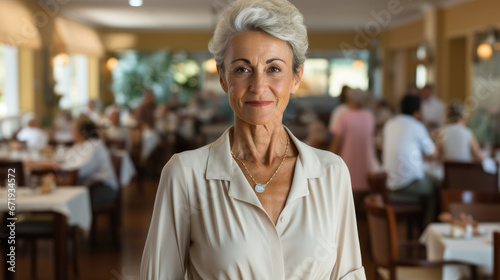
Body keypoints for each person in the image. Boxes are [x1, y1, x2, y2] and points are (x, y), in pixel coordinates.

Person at [141, 1, 365, 279]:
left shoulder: (332, 173)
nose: (259, 87)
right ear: (223, 77)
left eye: (274, 69)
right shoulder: (186, 175)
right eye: (242, 69)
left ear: (296, 77)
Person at [26, 115, 118, 206]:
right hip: (88, 186)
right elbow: (64, 160)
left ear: (82, 133)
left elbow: (76, 170)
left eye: (73, 130)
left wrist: (53, 175)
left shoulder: (93, 146)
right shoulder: (81, 145)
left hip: (102, 189)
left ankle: (64, 219)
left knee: (57, 195)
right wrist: (39, 164)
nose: (71, 133)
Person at [383, 94, 437, 224]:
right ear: (418, 112)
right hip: (408, 183)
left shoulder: (389, 124)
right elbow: (433, 153)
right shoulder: (417, 126)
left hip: (388, 182)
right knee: (436, 189)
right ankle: (426, 229)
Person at [330, 88, 376, 193]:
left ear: (351, 100)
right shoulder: (369, 115)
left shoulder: (344, 116)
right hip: (366, 162)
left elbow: (335, 144)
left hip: (348, 161)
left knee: (347, 197)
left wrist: (327, 162)